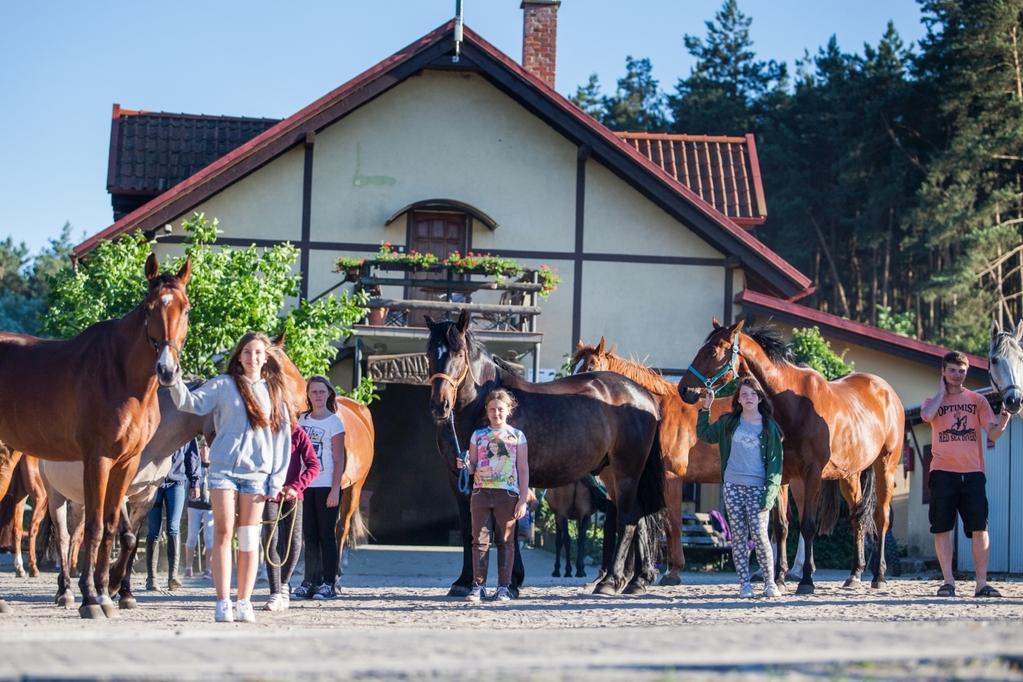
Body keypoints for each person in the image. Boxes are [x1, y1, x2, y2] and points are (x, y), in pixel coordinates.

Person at [168, 331, 292, 623]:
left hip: (257, 475)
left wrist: (276, 480)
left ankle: (244, 601)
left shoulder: (274, 391)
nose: (253, 358)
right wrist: (173, 379)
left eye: (259, 353)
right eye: (248, 352)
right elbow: (190, 403)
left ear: (266, 358)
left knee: (249, 539)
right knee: (223, 534)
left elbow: (282, 438)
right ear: (239, 355)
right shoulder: (223, 385)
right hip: (223, 471)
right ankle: (223, 600)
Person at [920, 350, 1011, 598]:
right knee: (941, 528)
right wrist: (942, 393)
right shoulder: (932, 402)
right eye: (952, 370)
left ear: (966, 371)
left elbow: (992, 434)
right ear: (943, 372)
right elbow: (927, 417)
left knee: (980, 528)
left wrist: (1002, 422)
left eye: (961, 371)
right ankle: (948, 582)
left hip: (973, 474)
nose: (957, 375)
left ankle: (981, 584)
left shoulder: (977, 400)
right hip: (942, 473)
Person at [697, 375, 784, 599]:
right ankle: (744, 585)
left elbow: (776, 466)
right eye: (744, 394)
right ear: (738, 399)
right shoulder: (729, 422)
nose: (748, 398)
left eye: (753, 394)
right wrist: (706, 407)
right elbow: (704, 434)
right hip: (732, 486)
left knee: (760, 535)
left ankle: (769, 584)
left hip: (757, 489)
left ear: (760, 398)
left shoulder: (769, 427)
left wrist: (770, 495)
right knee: (738, 537)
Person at [458, 388, 530, 603]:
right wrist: (465, 465)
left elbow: (523, 468)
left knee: (506, 541)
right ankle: (478, 587)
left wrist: (523, 499)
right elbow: (472, 467)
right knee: (479, 541)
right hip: (480, 493)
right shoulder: (478, 436)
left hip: (507, 494)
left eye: (500, 409)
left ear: (508, 410)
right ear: (487, 412)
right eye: (492, 409)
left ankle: (504, 588)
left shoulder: (517, 436)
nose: (496, 413)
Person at [293, 376, 346, 601]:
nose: (317, 395)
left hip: (326, 484)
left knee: (327, 536)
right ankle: (309, 580)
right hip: (306, 485)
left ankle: (328, 582)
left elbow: (339, 457)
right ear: (308, 395)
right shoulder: (302, 421)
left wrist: (335, 488)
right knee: (310, 536)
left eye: (321, 392)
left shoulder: (334, 422)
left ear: (329, 394)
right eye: (313, 392)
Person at [263, 422, 320, 611]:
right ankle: (275, 592)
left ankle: (285, 584)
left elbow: (314, 465)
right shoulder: (263, 432)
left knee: (294, 543)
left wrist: (297, 486)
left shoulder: (298, 433)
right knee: (270, 539)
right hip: (269, 494)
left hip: (293, 495)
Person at [145, 438, 197, 591]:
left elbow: (192, 455)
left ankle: (173, 576)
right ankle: (152, 578)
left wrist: (195, 481)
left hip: (177, 482)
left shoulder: (184, 424)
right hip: (154, 482)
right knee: (153, 531)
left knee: (173, 528)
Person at [184, 440, 213, 579]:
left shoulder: (214, 465)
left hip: (210, 507)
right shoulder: (194, 465)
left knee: (209, 538)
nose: (205, 450)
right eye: (202, 448)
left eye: (207, 448)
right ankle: (188, 567)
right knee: (191, 537)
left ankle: (209, 569)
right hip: (194, 505)